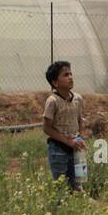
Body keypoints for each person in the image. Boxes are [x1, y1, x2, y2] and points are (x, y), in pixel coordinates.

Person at [42, 60, 86, 192]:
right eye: (65, 75)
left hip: (76, 147)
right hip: (58, 149)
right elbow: (47, 128)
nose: (70, 77)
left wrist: (79, 139)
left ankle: (81, 201)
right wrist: (68, 141)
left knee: (79, 182)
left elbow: (79, 121)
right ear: (55, 83)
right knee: (60, 186)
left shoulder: (78, 99)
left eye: (71, 74)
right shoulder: (53, 101)